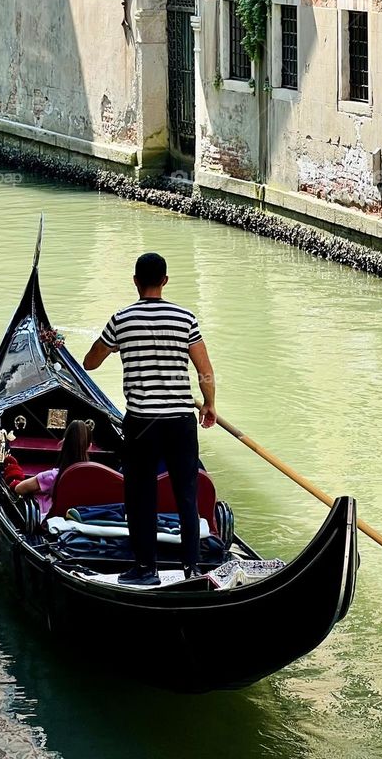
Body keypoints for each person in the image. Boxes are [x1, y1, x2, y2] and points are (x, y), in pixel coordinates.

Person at [83, 252, 217, 588]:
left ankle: (145, 569)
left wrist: (113, 344)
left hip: (142, 422)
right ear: (165, 281)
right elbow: (205, 371)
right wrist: (209, 405)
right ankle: (192, 569)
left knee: (141, 496)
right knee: (186, 494)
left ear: (135, 281)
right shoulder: (185, 318)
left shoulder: (122, 319)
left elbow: (90, 363)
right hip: (180, 420)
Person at [13, 418, 92, 518]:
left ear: (63, 443)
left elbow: (19, 488)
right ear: (90, 446)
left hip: (54, 522)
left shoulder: (53, 476)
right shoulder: (93, 478)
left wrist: (42, 489)